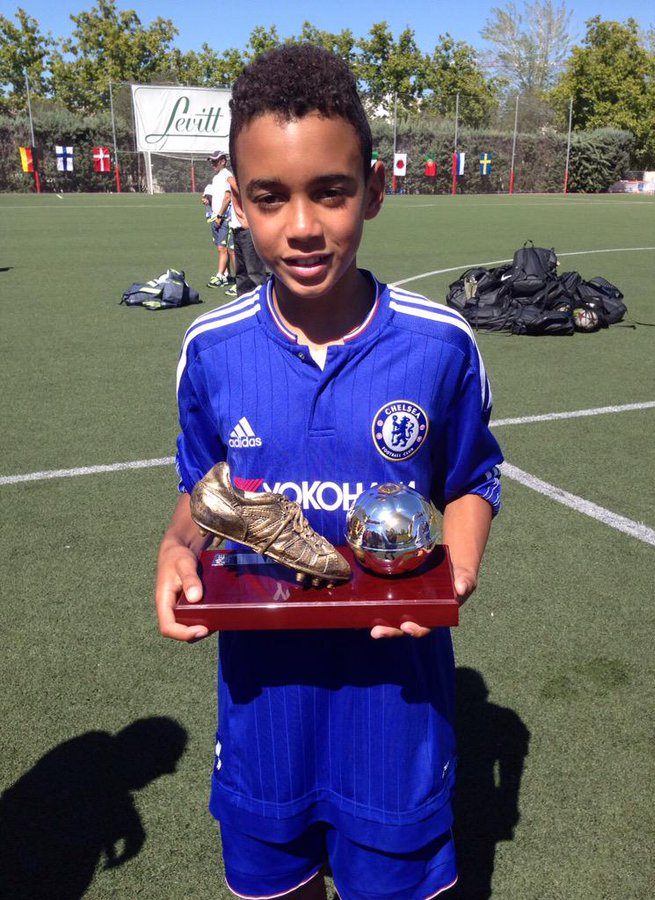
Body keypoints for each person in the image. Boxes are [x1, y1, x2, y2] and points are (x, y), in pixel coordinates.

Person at [155, 44, 503, 900]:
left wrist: (452, 571)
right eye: (270, 198)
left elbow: (469, 480)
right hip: (264, 712)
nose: (302, 225)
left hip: (395, 712)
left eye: (331, 192)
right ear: (236, 203)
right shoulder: (211, 349)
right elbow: (204, 491)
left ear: (374, 190)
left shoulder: (438, 344)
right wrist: (173, 549)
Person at [226, 181, 267, 296]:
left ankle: (261, 301)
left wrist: (232, 181)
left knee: (254, 272)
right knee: (241, 273)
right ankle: (242, 301)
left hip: (248, 230)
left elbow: (247, 194)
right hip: (237, 230)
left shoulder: (241, 178)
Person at [206, 149, 237, 294]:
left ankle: (237, 280)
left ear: (223, 161)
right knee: (221, 248)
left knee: (229, 250)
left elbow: (227, 197)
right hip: (215, 216)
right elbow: (217, 196)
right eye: (211, 161)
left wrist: (220, 215)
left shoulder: (227, 175)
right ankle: (226, 275)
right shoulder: (216, 176)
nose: (212, 163)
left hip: (224, 218)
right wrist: (208, 200)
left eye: (215, 161)